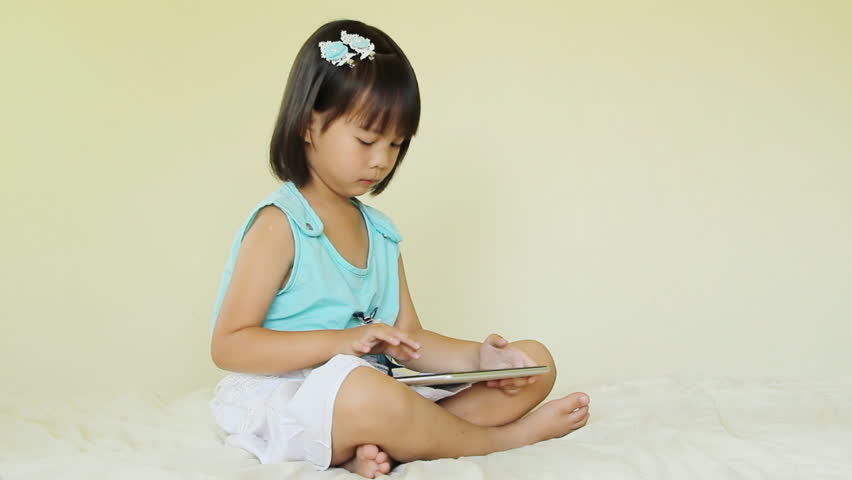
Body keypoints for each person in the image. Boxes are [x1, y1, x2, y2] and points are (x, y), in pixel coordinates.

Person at [208, 18, 591, 479]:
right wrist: (341, 343)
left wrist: (481, 361)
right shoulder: (281, 225)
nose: (381, 160)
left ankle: (389, 442)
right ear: (310, 125)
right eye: (367, 140)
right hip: (294, 397)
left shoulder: (381, 233)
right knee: (363, 392)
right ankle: (502, 438)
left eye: (396, 144)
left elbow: (411, 340)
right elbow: (230, 346)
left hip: (376, 392)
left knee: (536, 362)